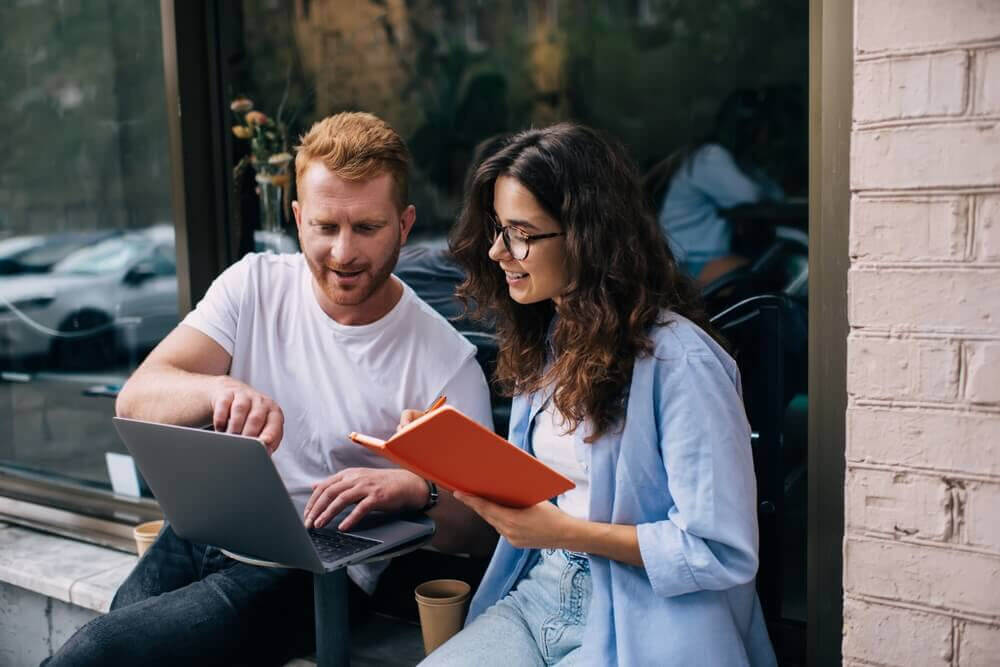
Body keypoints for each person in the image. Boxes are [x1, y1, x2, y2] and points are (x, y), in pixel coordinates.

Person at [43, 112, 495, 666]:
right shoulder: (253, 282)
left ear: (404, 225)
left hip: (311, 572)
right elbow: (137, 398)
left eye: (367, 228)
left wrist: (414, 488)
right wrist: (218, 391)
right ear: (299, 218)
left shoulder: (446, 361)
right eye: (326, 227)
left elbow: (479, 533)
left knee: (97, 651)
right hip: (208, 528)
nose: (344, 253)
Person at [405, 123, 775, 665]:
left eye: (520, 233)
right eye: (498, 229)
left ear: (587, 236)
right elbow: (549, 496)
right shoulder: (549, 339)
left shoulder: (681, 362)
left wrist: (568, 532)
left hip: (647, 614)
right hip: (538, 594)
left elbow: (719, 551)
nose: (497, 251)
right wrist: (452, 458)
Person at [653, 89, 784, 284]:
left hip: (700, 256)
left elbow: (775, 193)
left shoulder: (735, 160)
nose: (768, 136)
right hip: (686, 262)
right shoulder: (711, 156)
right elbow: (749, 195)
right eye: (764, 128)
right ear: (748, 129)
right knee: (766, 275)